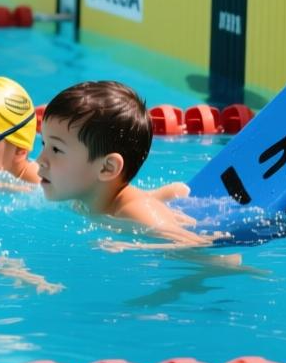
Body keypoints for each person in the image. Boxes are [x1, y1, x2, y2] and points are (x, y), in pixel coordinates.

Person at [35, 80, 207, 246]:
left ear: (107, 167)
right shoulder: (82, 198)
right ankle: (166, 193)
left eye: (56, 149)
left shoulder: (135, 214)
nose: (39, 160)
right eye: (44, 144)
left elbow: (195, 246)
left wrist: (135, 245)